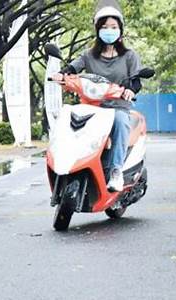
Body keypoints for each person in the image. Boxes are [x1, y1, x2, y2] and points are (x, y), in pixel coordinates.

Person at [52, 0, 143, 192]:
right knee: (70, 118)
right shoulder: (88, 55)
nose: (109, 30)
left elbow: (136, 80)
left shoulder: (129, 56)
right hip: (93, 106)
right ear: (97, 30)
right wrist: (61, 74)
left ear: (120, 30)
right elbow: (72, 68)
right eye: (104, 27)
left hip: (118, 106)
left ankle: (116, 171)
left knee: (119, 121)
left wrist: (130, 90)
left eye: (113, 27)